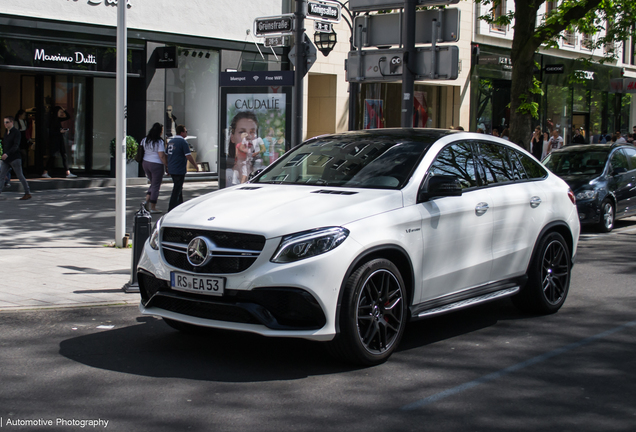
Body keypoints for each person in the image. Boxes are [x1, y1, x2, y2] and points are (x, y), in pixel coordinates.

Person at [166, 124, 198, 211]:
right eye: (186, 131)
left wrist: (167, 167)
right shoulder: (183, 142)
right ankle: (171, 207)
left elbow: (166, 155)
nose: (187, 133)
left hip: (172, 167)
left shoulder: (171, 142)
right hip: (179, 168)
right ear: (182, 132)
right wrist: (195, 165)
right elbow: (188, 156)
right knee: (177, 188)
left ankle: (179, 205)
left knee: (179, 187)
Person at [0, 116, 31, 200]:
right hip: (6, 159)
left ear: (12, 122)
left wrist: (7, 153)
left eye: (7, 122)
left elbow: (16, 146)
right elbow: (5, 145)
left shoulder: (16, 132)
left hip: (15, 158)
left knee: (20, 176)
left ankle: (27, 192)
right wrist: (3, 154)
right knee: (1, 176)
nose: (5, 124)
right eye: (4, 122)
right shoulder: (6, 133)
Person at [141, 122, 168, 214]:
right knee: (156, 185)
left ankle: (146, 202)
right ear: (159, 131)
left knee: (153, 184)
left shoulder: (145, 140)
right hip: (156, 164)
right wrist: (166, 165)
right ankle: (153, 207)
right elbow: (161, 155)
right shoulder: (159, 142)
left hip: (145, 163)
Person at [42, 106, 76, 178]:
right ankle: (45, 171)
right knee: (53, 156)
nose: (61, 113)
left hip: (60, 139)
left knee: (64, 155)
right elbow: (51, 132)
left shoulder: (58, 119)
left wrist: (64, 109)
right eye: (59, 112)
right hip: (55, 140)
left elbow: (68, 117)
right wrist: (59, 131)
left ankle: (67, 172)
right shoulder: (52, 121)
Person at [228, 111, 259, 185]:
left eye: (252, 132)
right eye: (242, 132)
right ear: (232, 137)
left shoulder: (264, 171)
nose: (248, 136)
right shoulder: (226, 175)